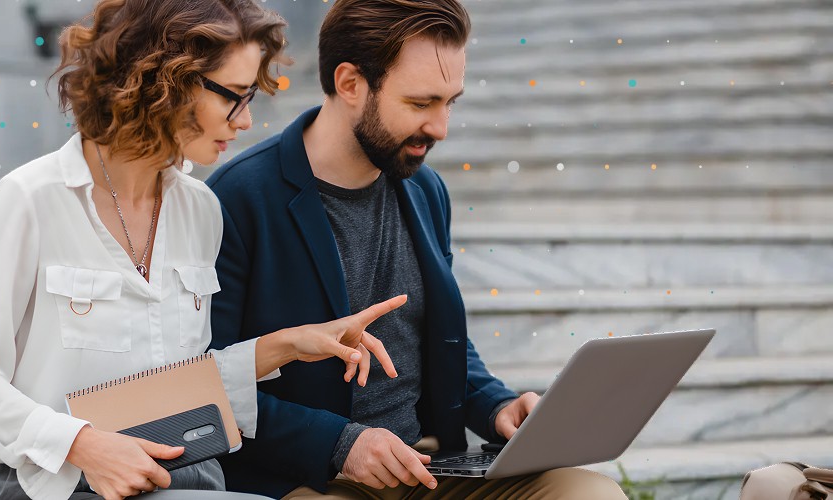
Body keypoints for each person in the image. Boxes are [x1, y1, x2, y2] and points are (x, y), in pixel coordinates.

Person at [0, 1, 408, 499]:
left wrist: (292, 344)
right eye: (235, 96)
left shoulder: (200, 208)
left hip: (184, 476)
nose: (246, 121)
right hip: (47, 484)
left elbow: (176, 385)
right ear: (165, 82)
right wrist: (82, 445)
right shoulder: (31, 198)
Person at [205, 0, 627, 498]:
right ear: (350, 84)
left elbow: (438, 342)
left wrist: (498, 408)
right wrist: (340, 445)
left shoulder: (426, 189)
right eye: (421, 103)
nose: (441, 128)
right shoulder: (237, 197)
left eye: (451, 102)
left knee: (589, 493)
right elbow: (209, 386)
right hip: (311, 479)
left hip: (432, 467)